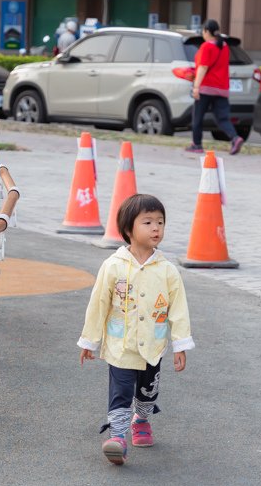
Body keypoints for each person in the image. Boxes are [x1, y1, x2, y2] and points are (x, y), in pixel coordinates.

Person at [78, 194, 195, 466]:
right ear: (129, 229)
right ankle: (117, 436)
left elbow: (178, 309)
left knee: (147, 391)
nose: (156, 228)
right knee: (120, 392)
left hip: (153, 346)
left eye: (160, 222)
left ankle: (141, 418)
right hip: (121, 345)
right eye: (148, 222)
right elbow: (99, 304)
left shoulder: (167, 270)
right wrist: (90, 340)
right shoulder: (113, 266)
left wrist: (180, 345)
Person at [186, 19, 245, 156]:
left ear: (207, 31)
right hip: (221, 88)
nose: (203, 33)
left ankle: (197, 144)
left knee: (198, 117)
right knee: (222, 118)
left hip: (206, 88)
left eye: (203, 31)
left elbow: (203, 67)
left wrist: (196, 87)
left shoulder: (206, 47)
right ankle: (235, 138)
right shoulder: (224, 46)